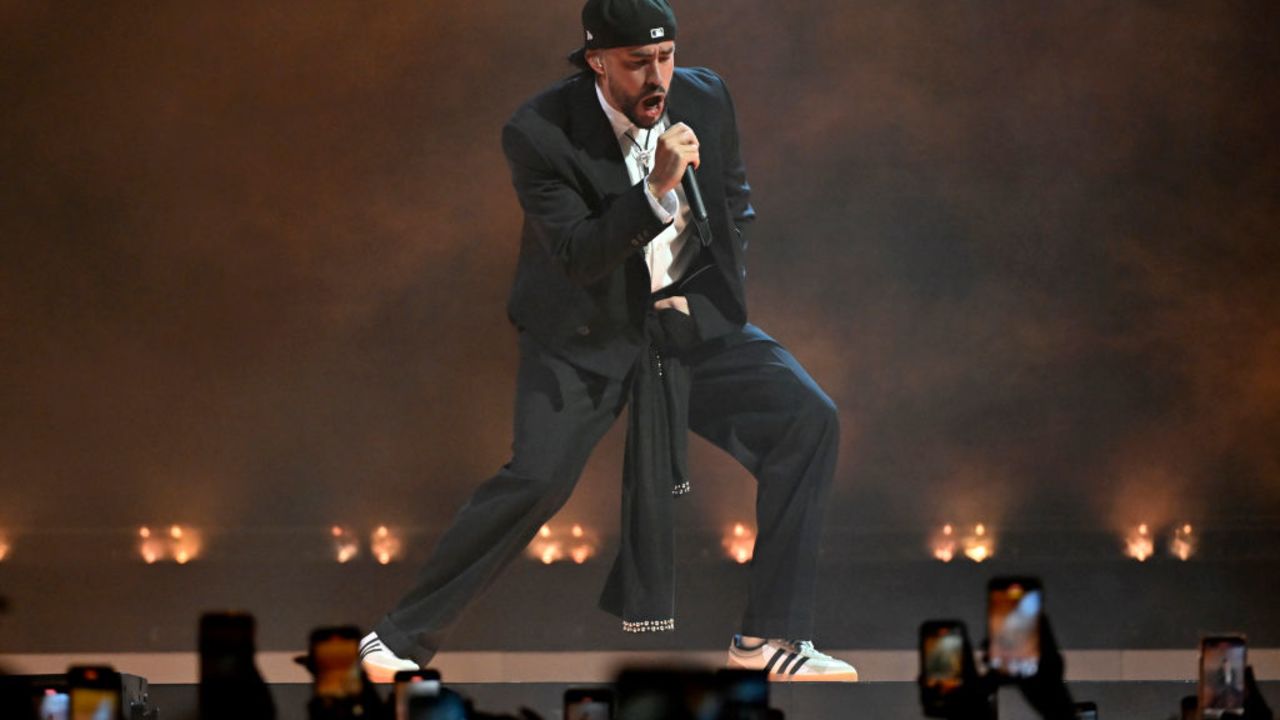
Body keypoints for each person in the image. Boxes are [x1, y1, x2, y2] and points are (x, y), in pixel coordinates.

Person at [359, 0, 857, 683]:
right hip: (583, 334)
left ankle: (771, 639)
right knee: (536, 480)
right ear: (596, 61)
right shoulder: (539, 131)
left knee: (808, 418)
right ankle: (397, 639)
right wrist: (656, 188)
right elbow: (577, 253)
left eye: (666, 57)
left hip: (682, 324)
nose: (658, 77)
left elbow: (735, 195)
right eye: (637, 63)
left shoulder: (706, 95)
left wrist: (712, 277)